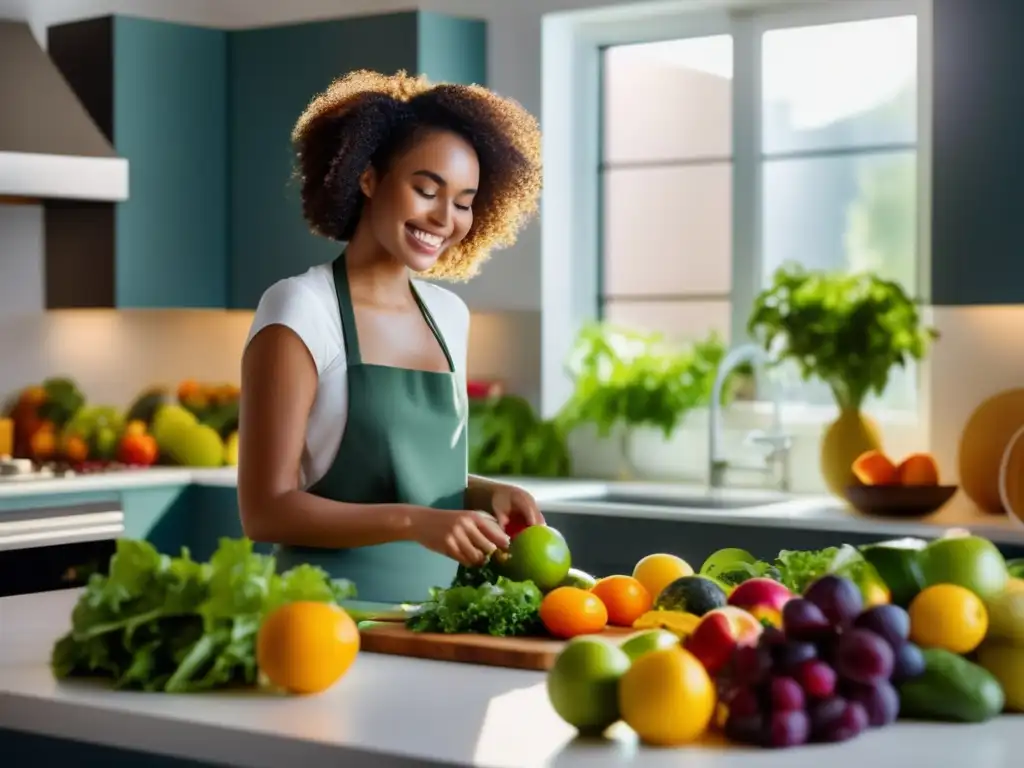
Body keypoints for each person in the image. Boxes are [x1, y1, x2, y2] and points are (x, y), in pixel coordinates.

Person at [237, 70, 545, 604]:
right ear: (369, 178)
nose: (444, 218)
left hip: (436, 616)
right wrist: (413, 523)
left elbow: (411, 475)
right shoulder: (301, 309)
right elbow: (265, 511)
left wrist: (483, 491)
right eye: (426, 190)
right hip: (324, 621)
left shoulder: (449, 315)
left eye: (464, 201)